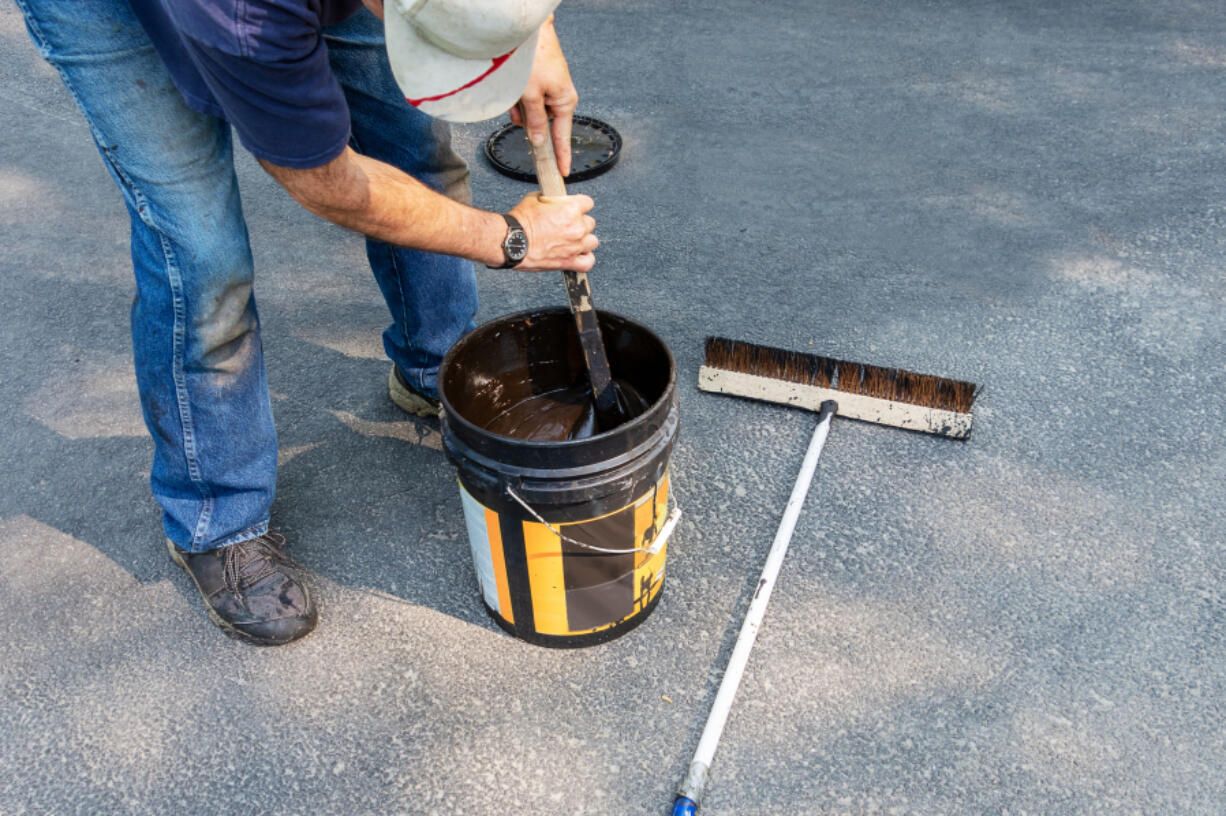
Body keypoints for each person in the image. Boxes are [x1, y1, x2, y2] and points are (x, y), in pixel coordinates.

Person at [15, 0, 597, 646]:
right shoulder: (247, 17)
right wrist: (509, 239)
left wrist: (529, 31)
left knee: (411, 143)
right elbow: (327, 180)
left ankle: (438, 370)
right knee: (201, 249)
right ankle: (215, 517)